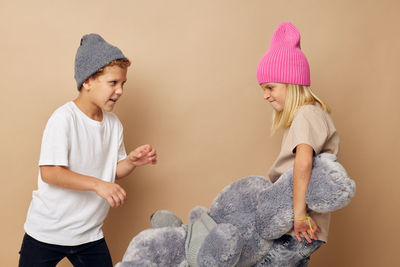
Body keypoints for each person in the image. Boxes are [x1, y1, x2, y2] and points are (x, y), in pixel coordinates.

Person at [18, 33, 157, 267]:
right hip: (47, 231)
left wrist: (131, 161)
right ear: (87, 81)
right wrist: (97, 184)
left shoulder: (113, 125)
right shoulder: (64, 119)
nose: (120, 90)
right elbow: (50, 173)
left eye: (123, 84)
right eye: (113, 83)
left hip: (88, 235)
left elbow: (111, 171)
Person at [255, 22, 340, 266]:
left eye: (270, 87)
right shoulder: (309, 115)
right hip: (296, 226)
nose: (265, 95)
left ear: (291, 83)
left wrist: (299, 214)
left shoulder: (306, 114)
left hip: (299, 227)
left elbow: (304, 163)